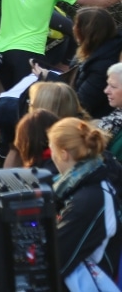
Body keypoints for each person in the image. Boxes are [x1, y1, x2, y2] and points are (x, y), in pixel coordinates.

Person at [48, 117, 122, 291]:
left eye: (51, 149)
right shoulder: (92, 180)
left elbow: (56, 261)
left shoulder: (88, 200)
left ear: (63, 153)